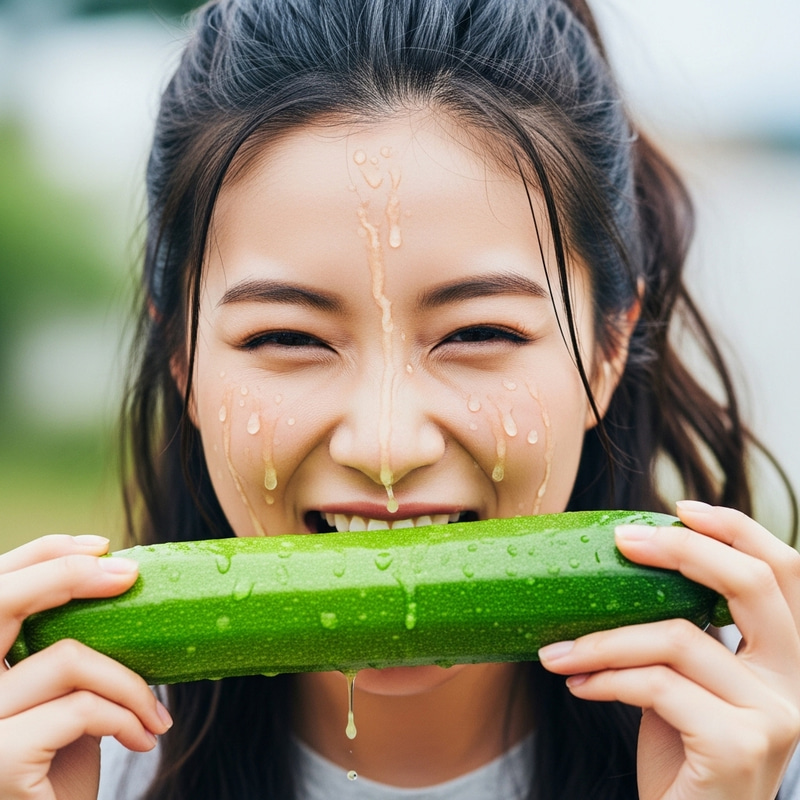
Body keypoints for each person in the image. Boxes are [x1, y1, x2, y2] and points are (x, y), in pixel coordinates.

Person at [2, 0, 799, 797]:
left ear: (607, 348)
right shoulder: (55, 769)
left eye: (478, 331)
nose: (387, 447)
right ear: (181, 357)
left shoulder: (761, 762)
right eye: (287, 338)